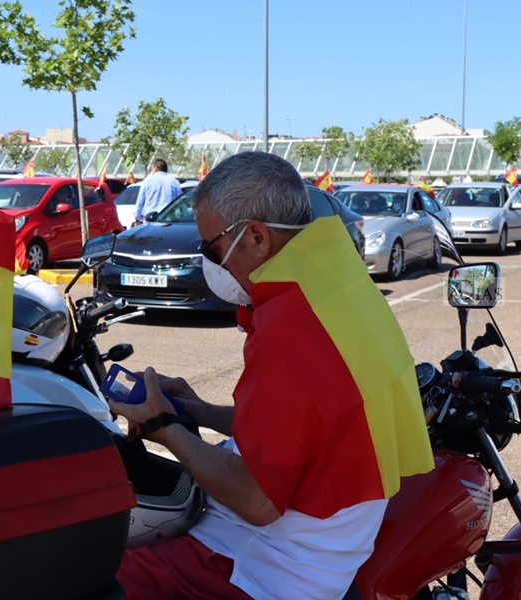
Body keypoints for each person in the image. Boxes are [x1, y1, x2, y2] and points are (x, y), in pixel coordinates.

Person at [111, 151, 435, 600]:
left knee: (89, 575)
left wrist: (165, 428)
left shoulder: (289, 328)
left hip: (260, 566)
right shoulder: (341, 288)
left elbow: (259, 502)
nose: (208, 261)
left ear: (258, 238)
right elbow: (307, 429)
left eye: (211, 248)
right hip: (319, 551)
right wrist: (199, 410)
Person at [133, 159, 181, 225]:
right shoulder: (174, 181)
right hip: (168, 221)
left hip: (150, 220)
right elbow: (180, 201)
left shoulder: (147, 181)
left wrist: (138, 218)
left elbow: (140, 202)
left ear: (155, 169)